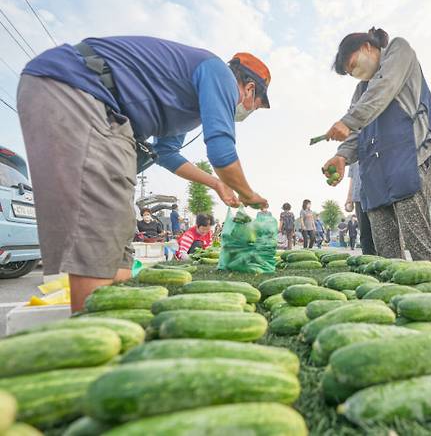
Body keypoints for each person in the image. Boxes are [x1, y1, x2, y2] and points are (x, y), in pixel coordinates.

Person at [17, 36, 270, 311]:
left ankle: (115, 324)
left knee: (116, 234)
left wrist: (216, 184)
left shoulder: (189, 102)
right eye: (255, 105)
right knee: (97, 232)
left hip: (99, 108)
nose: (248, 111)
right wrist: (249, 194)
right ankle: (97, 334)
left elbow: (167, 153)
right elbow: (221, 151)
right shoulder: (218, 73)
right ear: (248, 88)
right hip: (80, 90)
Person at [322, 28, 431, 266]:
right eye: (350, 73)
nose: (355, 74)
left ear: (366, 47)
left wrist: (348, 121)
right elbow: (356, 130)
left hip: (409, 159)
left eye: (353, 65)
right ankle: (395, 297)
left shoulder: (399, 50)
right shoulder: (361, 89)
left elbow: (384, 87)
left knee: (417, 240)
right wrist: (341, 156)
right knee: (385, 249)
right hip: (375, 171)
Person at [345, 162, 377, 255]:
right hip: (359, 197)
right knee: (365, 233)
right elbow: (352, 177)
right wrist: (349, 198)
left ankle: (388, 262)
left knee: (381, 232)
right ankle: (369, 262)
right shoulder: (353, 154)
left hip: (377, 195)